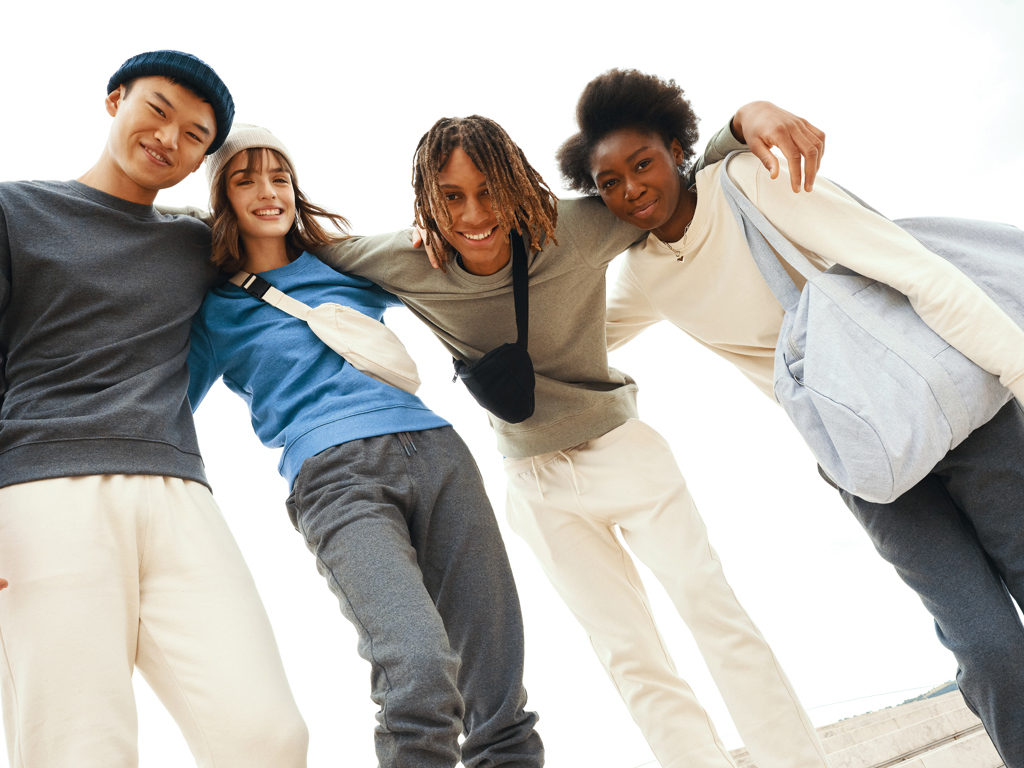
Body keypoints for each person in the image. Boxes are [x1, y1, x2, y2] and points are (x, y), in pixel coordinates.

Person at [314, 105, 832, 768]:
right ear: (427, 201)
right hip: (536, 488)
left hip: (624, 451)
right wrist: (193, 220)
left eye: (488, 191)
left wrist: (742, 120)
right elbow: (292, 248)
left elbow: (678, 183)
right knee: (630, 656)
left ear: (514, 183)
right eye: (451, 197)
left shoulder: (574, 230)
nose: (474, 214)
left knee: (713, 612)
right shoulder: (408, 261)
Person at [556, 67, 1024, 766]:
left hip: (958, 411)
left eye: (643, 163)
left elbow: (914, 269)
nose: (632, 189)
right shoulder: (646, 273)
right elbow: (573, 336)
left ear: (678, 149)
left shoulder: (750, 182)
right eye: (610, 183)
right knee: (987, 648)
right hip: (866, 462)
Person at [186, 124, 544, 768]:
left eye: (280, 178)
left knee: (498, 690)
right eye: (245, 180)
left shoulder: (342, 265)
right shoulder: (214, 311)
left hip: (438, 453)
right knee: (418, 672)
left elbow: (452, 268)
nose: (268, 192)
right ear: (222, 200)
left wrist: (431, 236)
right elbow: (165, 409)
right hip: (335, 479)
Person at [0, 52, 308, 768]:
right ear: (116, 100)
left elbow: (302, 255)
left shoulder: (197, 243)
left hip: (179, 493)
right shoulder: (15, 212)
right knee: (79, 747)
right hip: (43, 492)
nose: (170, 138)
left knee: (266, 736)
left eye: (195, 135)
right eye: (158, 111)